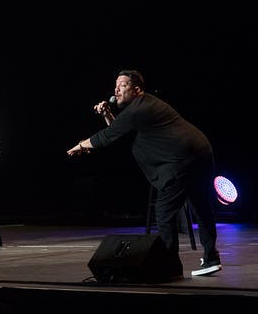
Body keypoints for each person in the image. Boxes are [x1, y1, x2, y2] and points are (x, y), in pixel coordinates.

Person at [66, 69, 222, 277]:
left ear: (136, 89)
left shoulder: (137, 110)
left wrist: (80, 145)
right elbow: (120, 132)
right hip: (201, 153)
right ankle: (211, 258)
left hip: (182, 160)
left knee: (165, 213)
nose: (116, 90)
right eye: (116, 86)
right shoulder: (143, 107)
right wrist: (107, 114)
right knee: (202, 207)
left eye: (122, 85)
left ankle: (171, 267)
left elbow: (108, 136)